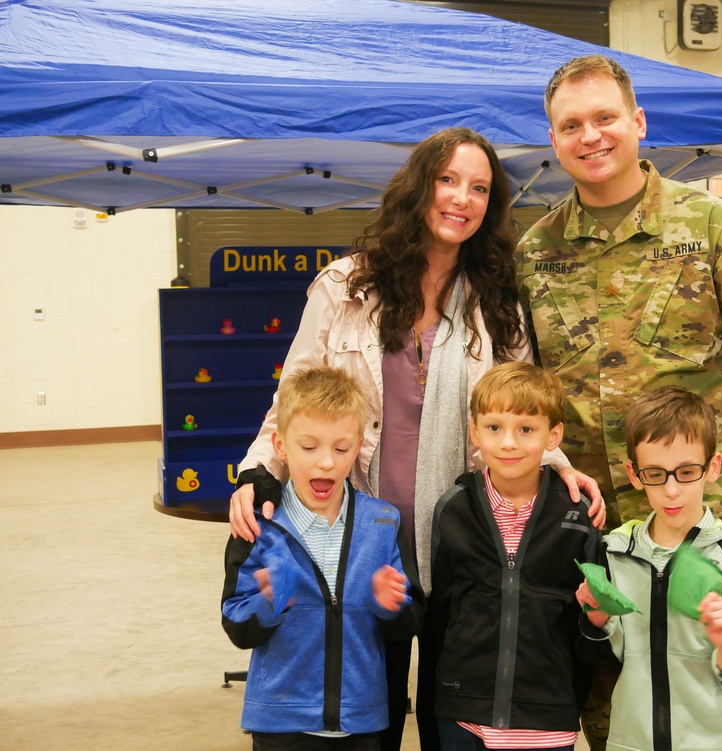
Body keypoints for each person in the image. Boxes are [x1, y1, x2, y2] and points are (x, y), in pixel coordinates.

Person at [228, 127, 605, 751]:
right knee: (364, 716)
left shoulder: (499, 299)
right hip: (362, 540)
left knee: (447, 714)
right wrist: (255, 472)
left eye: (479, 187)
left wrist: (557, 463)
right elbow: (291, 400)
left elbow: (520, 403)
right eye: (448, 181)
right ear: (418, 187)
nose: (462, 198)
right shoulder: (343, 289)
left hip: (463, 541)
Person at [518, 54, 722, 751]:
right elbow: (524, 390)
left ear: (638, 122)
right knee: (611, 705)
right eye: (572, 124)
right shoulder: (535, 253)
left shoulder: (710, 228)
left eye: (605, 118)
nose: (591, 135)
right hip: (596, 530)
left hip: (704, 520)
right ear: (553, 138)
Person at [221, 366, 424, 750]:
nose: (326, 463)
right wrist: (268, 603)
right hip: (280, 725)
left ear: (360, 445)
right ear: (280, 446)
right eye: (309, 447)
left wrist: (391, 606)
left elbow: (411, 620)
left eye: (341, 448)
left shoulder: (383, 522)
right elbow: (236, 626)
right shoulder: (256, 527)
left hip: (362, 724)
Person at [575, 386, 722, 751]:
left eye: (686, 472)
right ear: (634, 475)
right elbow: (601, 658)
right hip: (632, 741)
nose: (672, 490)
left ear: (713, 468)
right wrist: (596, 619)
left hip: (716, 743)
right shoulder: (615, 552)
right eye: (655, 474)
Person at [430, 361, 601, 751]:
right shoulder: (453, 508)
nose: (509, 443)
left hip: (548, 711)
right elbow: (442, 610)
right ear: (475, 431)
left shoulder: (578, 512)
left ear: (553, 435)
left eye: (526, 429)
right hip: (464, 711)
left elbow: (590, 619)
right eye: (494, 428)